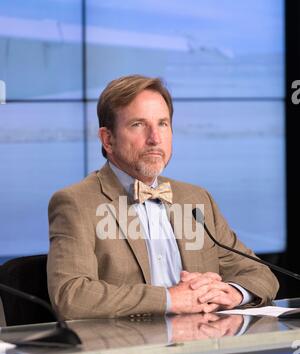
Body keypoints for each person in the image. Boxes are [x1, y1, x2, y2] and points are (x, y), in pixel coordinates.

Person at [47, 75, 279, 321]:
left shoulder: (196, 198)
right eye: (138, 124)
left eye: (163, 124)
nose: (155, 139)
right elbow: (71, 297)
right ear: (108, 139)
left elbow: (261, 274)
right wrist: (170, 299)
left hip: (205, 348)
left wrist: (231, 292)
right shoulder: (76, 202)